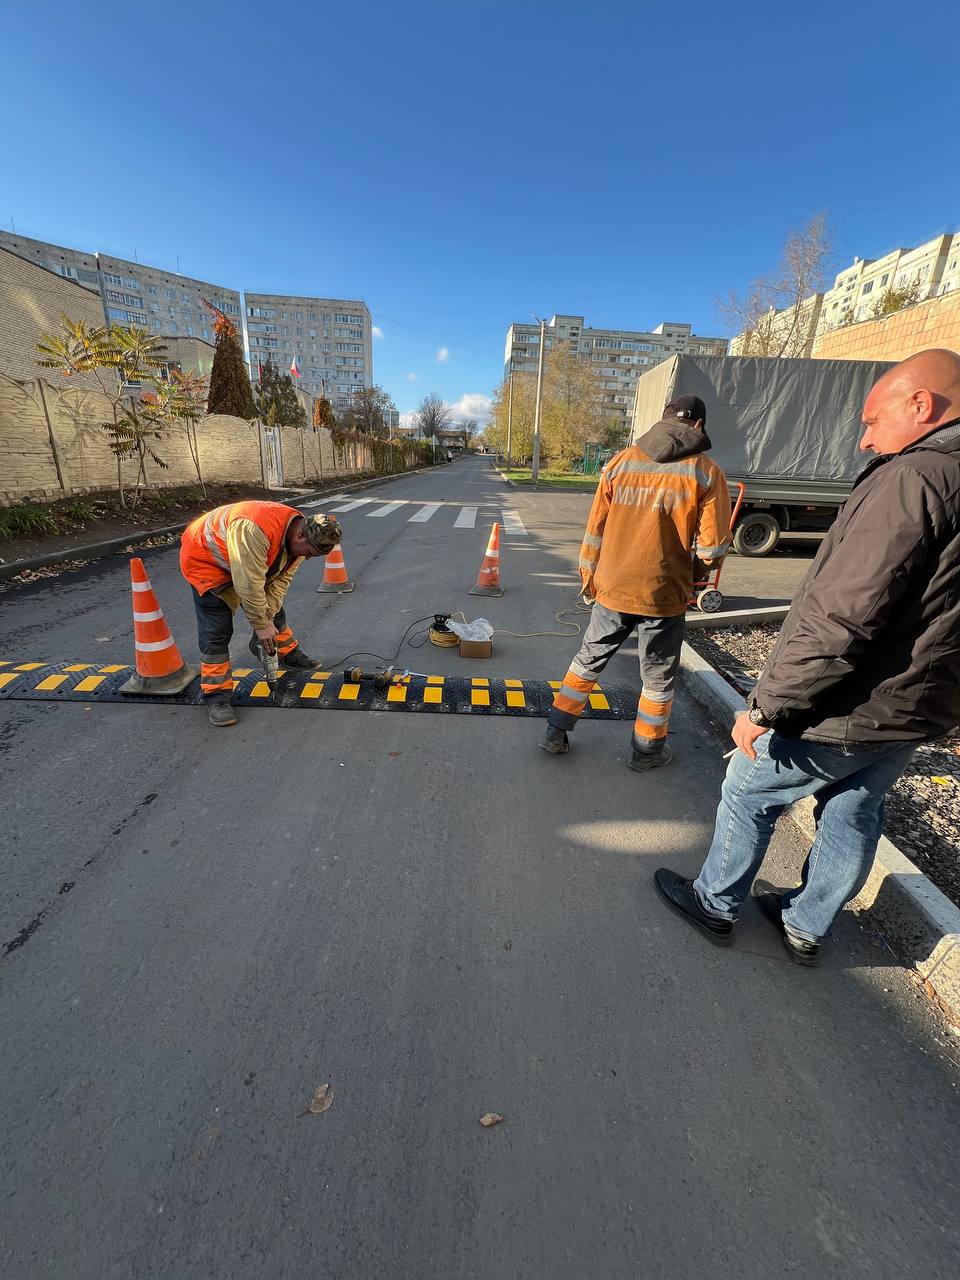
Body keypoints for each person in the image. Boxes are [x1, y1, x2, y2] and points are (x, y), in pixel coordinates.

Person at [655, 349, 960, 965]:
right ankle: (805, 925)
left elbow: (843, 613)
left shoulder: (915, 479)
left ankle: (715, 903)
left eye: (872, 422)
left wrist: (765, 706)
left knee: (748, 790)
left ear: (920, 405)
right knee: (854, 809)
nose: (865, 440)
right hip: (915, 708)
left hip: (851, 704)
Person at [541, 394, 731, 769]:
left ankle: (555, 730)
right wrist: (696, 571)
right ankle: (647, 752)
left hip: (613, 586)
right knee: (657, 677)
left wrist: (590, 580)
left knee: (588, 660)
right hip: (664, 593)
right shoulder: (706, 472)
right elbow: (712, 548)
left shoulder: (620, 462)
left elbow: (595, 530)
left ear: (662, 421)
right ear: (698, 426)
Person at [179, 501, 342, 726]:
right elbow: (248, 584)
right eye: (308, 553)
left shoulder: (299, 531)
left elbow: (280, 581)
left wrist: (268, 619)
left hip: (248, 560)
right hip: (207, 561)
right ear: (300, 536)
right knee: (217, 630)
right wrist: (261, 624)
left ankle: (287, 653)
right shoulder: (253, 530)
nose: (307, 558)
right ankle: (216, 694)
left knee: (273, 611)